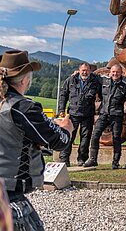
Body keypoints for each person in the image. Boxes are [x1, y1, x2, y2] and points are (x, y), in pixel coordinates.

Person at [0, 50, 73, 230]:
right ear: (25, 79)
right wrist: (67, 129)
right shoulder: (22, 108)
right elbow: (58, 141)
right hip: (9, 193)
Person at [58, 62, 103, 166]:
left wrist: (99, 111)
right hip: (73, 113)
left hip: (88, 114)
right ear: (79, 70)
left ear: (90, 71)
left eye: (87, 70)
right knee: (69, 136)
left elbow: (103, 95)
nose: (85, 72)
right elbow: (63, 95)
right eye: (83, 70)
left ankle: (82, 159)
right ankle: (64, 159)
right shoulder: (71, 80)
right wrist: (61, 110)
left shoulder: (95, 80)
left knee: (85, 138)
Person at [83, 64, 126, 169]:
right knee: (95, 135)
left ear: (121, 73)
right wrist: (78, 73)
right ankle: (93, 159)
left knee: (116, 138)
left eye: (117, 72)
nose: (115, 74)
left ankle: (115, 162)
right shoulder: (105, 81)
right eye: (113, 72)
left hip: (116, 115)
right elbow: (93, 76)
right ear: (110, 73)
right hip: (104, 113)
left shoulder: (125, 85)